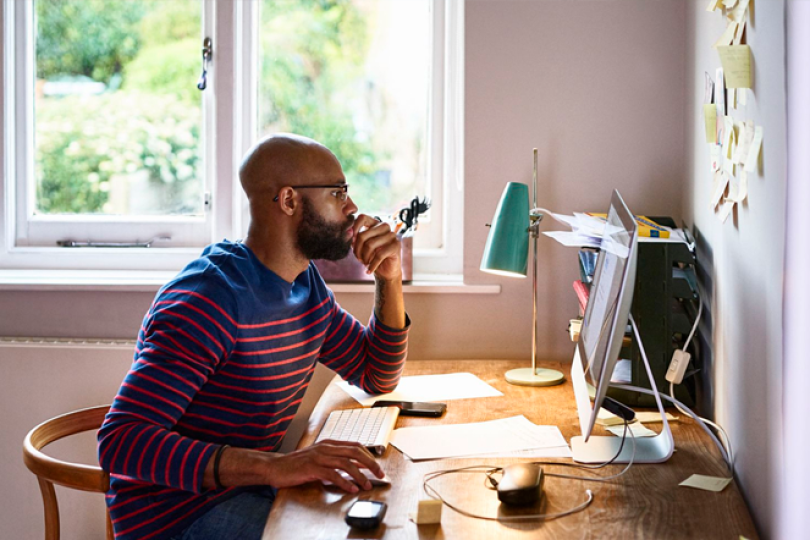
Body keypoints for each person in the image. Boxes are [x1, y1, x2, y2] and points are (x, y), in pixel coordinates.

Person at [98, 134, 410, 540]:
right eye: (338, 193)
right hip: (178, 518)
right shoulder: (209, 300)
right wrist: (275, 466)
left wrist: (389, 276)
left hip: (248, 493)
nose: (352, 207)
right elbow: (121, 441)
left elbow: (376, 374)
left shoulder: (304, 285)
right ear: (289, 201)